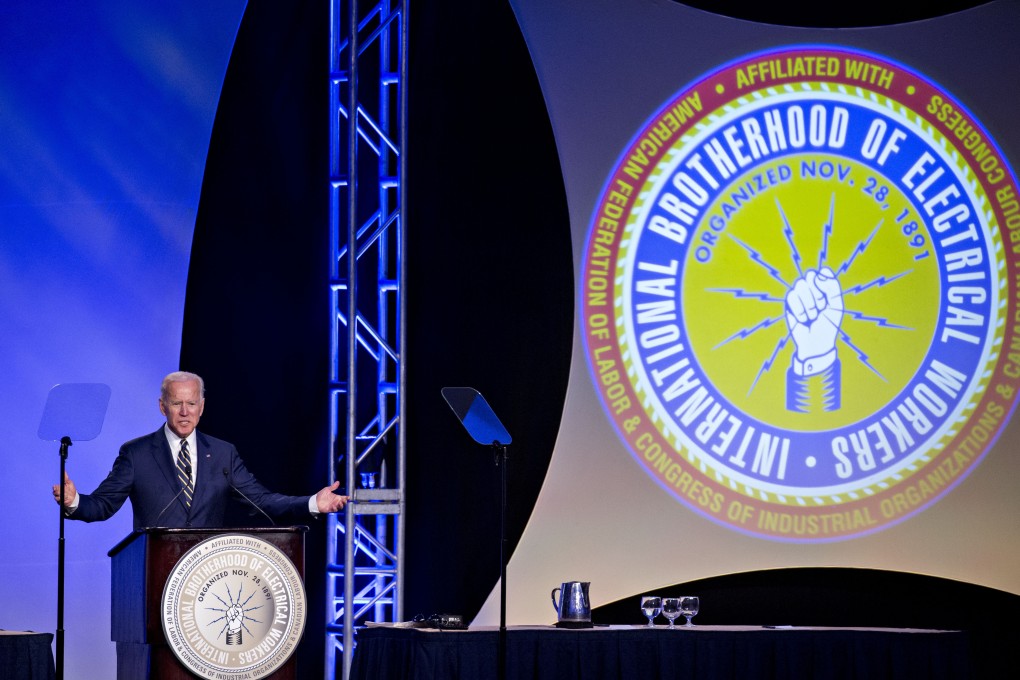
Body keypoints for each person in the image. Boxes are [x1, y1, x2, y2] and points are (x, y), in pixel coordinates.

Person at [52, 370, 348, 529]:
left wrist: (312, 503)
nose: (184, 411)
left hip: (206, 579)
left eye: (191, 403)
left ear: (202, 407)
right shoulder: (136, 454)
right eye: (177, 403)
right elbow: (102, 505)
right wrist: (74, 501)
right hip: (155, 574)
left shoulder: (222, 454)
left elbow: (262, 502)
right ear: (162, 406)